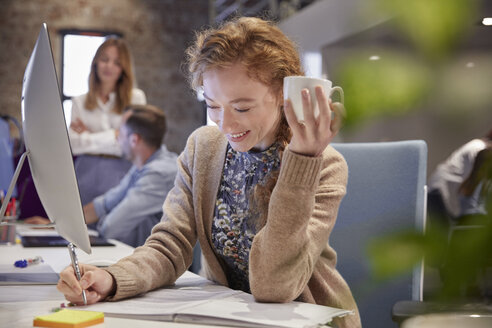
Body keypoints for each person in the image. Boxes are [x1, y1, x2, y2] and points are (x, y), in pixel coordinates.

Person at [56, 17, 361, 328]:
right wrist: (112, 278)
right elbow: (170, 244)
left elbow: (274, 287)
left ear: (283, 96)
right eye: (213, 105)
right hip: (228, 318)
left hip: (308, 319)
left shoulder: (323, 165)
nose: (225, 125)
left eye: (242, 108)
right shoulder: (203, 148)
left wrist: (301, 159)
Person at [26, 104, 178, 247]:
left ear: (134, 140)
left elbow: (112, 227)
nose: (116, 138)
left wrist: (92, 225)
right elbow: (105, 203)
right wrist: (56, 226)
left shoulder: (159, 173)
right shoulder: (143, 165)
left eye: (120, 132)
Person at [69, 37, 146, 205]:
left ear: (123, 69)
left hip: (122, 172)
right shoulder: (78, 102)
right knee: (84, 227)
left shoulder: (136, 98)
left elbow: (135, 144)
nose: (109, 66)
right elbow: (73, 145)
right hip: (85, 173)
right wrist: (115, 135)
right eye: (104, 59)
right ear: (96, 62)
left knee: (115, 228)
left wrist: (89, 136)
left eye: (116, 62)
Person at [428, 129, 492, 221]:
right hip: (440, 192)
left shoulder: (477, 146)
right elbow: (468, 189)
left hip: (443, 192)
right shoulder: (479, 148)